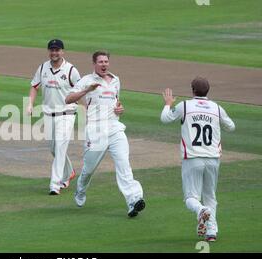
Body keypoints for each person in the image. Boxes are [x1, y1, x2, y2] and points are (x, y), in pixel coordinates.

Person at [65, 50, 145, 217]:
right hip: (95, 130)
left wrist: (119, 109)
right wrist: (87, 90)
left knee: (124, 165)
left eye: (106, 62)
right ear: (94, 64)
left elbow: (117, 102)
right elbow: (69, 99)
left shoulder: (116, 80)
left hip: (115, 128)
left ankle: (133, 200)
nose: (104, 64)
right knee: (88, 169)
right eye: (100, 62)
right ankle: (80, 191)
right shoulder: (87, 80)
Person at [160, 77, 236, 242]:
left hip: (193, 158)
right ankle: (211, 232)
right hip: (213, 158)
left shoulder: (185, 106)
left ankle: (201, 210)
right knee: (210, 196)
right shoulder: (217, 108)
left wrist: (168, 103)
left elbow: (165, 119)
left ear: (192, 90)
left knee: (190, 198)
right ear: (208, 90)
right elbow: (231, 126)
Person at [27, 39, 81, 195]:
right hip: (48, 114)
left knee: (60, 147)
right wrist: (30, 104)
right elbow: (34, 86)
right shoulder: (43, 67)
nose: (54, 53)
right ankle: (69, 172)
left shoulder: (71, 70)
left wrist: (89, 109)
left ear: (62, 52)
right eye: (52, 50)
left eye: (57, 50)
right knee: (54, 149)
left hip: (67, 114)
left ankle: (55, 184)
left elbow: (81, 90)